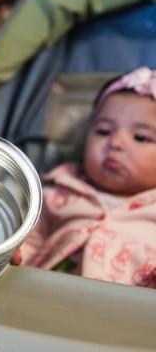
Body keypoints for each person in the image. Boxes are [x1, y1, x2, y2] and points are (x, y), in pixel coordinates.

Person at [12, 66, 156, 288]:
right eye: (103, 131)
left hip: (126, 316)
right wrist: (13, 255)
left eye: (141, 137)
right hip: (44, 301)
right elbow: (31, 241)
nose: (115, 143)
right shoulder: (58, 193)